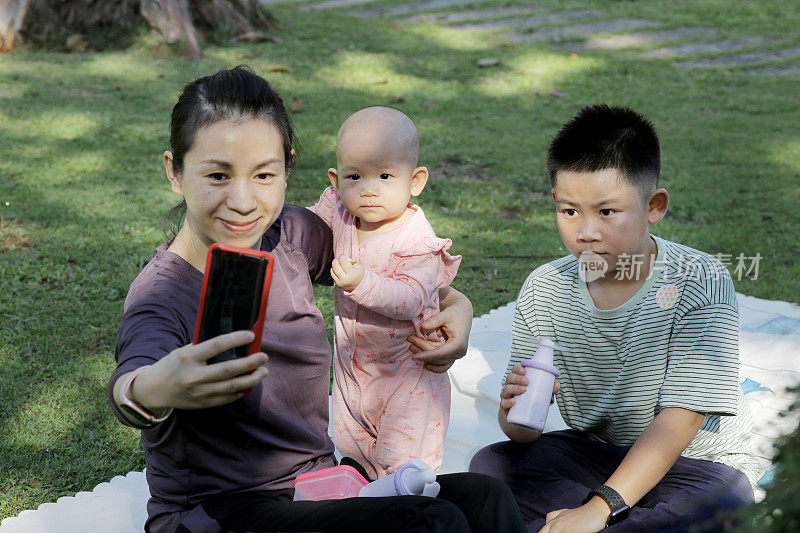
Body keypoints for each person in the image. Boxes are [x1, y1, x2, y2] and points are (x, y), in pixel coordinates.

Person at [108, 66, 526, 533]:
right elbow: (130, 387)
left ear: (287, 168)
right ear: (176, 172)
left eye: (264, 174)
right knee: (429, 522)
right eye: (218, 175)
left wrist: (458, 305)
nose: (243, 201)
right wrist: (152, 389)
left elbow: (381, 274)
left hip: (318, 486)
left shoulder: (290, 235)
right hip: (218, 514)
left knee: (486, 498)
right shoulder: (162, 294)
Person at [468, 104, 759, 532]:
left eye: (606, 212)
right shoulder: (545, 288)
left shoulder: (699, 279)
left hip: (690, 461)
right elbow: (523, 433)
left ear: (654, 206)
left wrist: (598, 508)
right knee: (491, 466)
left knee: (723, 503)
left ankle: (589, 522)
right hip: (597, 453)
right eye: (570, 211)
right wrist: (515, 413)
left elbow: (681, 418)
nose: (586, 231)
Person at [309, 106, 461, 479]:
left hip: (408, 378)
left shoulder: (419, 241)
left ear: (415, 180)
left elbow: (410, 298)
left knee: (404, 470)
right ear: (336, 179)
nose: (369, 189)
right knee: (352, 452)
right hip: (352, 372)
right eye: (355, 176)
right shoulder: (340, 212)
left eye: (386, 175)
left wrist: (362, 284)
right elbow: (304, 230)